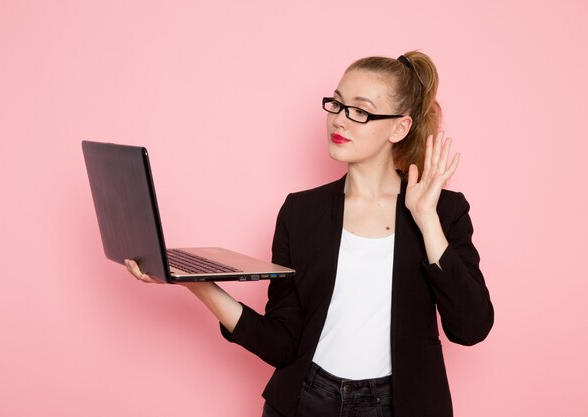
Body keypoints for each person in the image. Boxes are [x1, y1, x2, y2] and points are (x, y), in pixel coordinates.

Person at [125, 50, 494, 417]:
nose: (339, 121)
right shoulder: (300, 212)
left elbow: (471, 327)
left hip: (401, 405)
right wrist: (195, 282)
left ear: (399, 127)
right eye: (336, 104)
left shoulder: (443, 211)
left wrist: (425, 218)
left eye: (360, 111)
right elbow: (283, 344)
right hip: (305, 401)